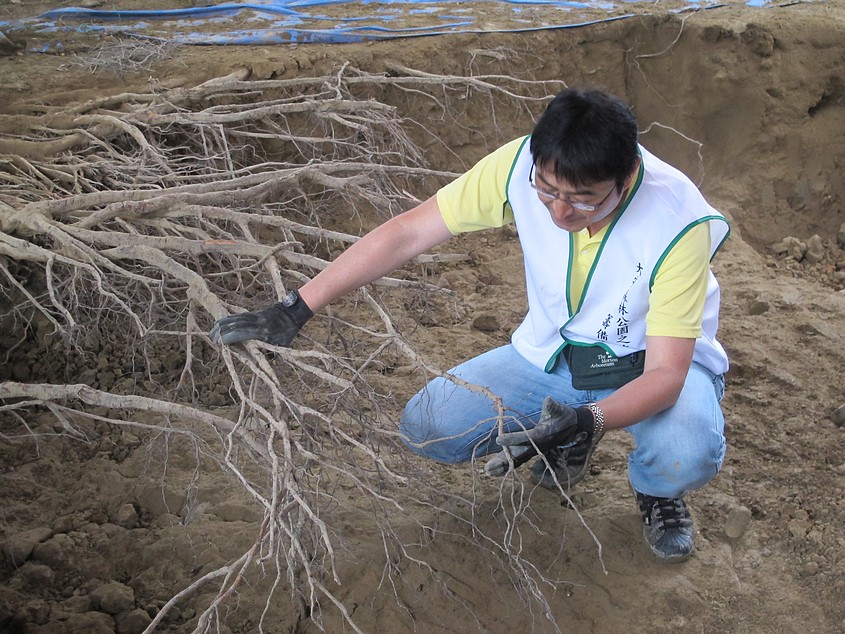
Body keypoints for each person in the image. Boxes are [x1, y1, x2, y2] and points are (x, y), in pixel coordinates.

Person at [211, 88, 730, 563]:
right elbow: (409, 232)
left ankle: (655, 490)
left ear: (629, 176)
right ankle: (565, 430)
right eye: (547, 190)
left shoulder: (678, 222)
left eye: (582, 199)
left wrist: (588, 420)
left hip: (646, 363)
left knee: (685, 453)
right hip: (553, 352)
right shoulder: (519, 165)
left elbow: (665, 375)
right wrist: (298, 306)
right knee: (430, 426)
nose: (557, 210)